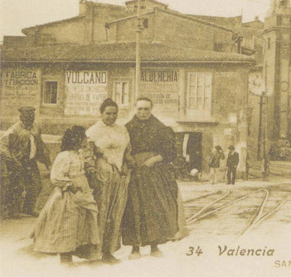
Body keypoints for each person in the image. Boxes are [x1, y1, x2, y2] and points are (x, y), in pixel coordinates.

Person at [122, 97, 181, 259]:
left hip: (154, 173)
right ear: (135, 109)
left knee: (154, 207)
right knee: (133, 208)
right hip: (134, 172)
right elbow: (122, 149)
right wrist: (129, 159)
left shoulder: (160, 128)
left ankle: (154, 246)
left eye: (146, 109)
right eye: (139, 109)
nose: (142, 112)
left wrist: (154, 160)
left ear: (151, 109)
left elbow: (170, 152)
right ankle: (135, 248)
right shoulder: (126, 128)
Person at [32, 126, 100, 264]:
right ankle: (65, 258)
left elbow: (82, 167)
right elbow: (55, 177)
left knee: (79, 225)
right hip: (67, 195)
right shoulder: (64, 156)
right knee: (67, 225)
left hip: (82, 193)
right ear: (75, 139)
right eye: (82, 138)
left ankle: (75, 253)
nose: (85, 141)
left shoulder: (78, 154)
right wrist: (70, 185)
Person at [86, 98, 133, 263]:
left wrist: (127, 163)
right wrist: (92, 174)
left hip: (120, 176)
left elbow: (127, 150)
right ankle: (94, 252)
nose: (111, 117)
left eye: (114, 113)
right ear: (101, 113)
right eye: (108, 113)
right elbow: (88, 155)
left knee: (116, 213)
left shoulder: (122, 129)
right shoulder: (93, 131)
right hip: (102, 176)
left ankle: (108, 251)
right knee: (101, 212)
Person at [0, 106, 50, 218]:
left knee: (36, 184)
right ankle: (12, 211)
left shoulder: (36, 127)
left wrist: (47, 161)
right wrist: (12, 161)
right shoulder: (14, 130)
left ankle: (28, 208)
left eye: (32, 116)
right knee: (16, 186)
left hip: (30, 161)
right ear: (21, 117)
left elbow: (40, 143)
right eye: (27, 116)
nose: (30, 119)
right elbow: (2, 146)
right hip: (17, 161)